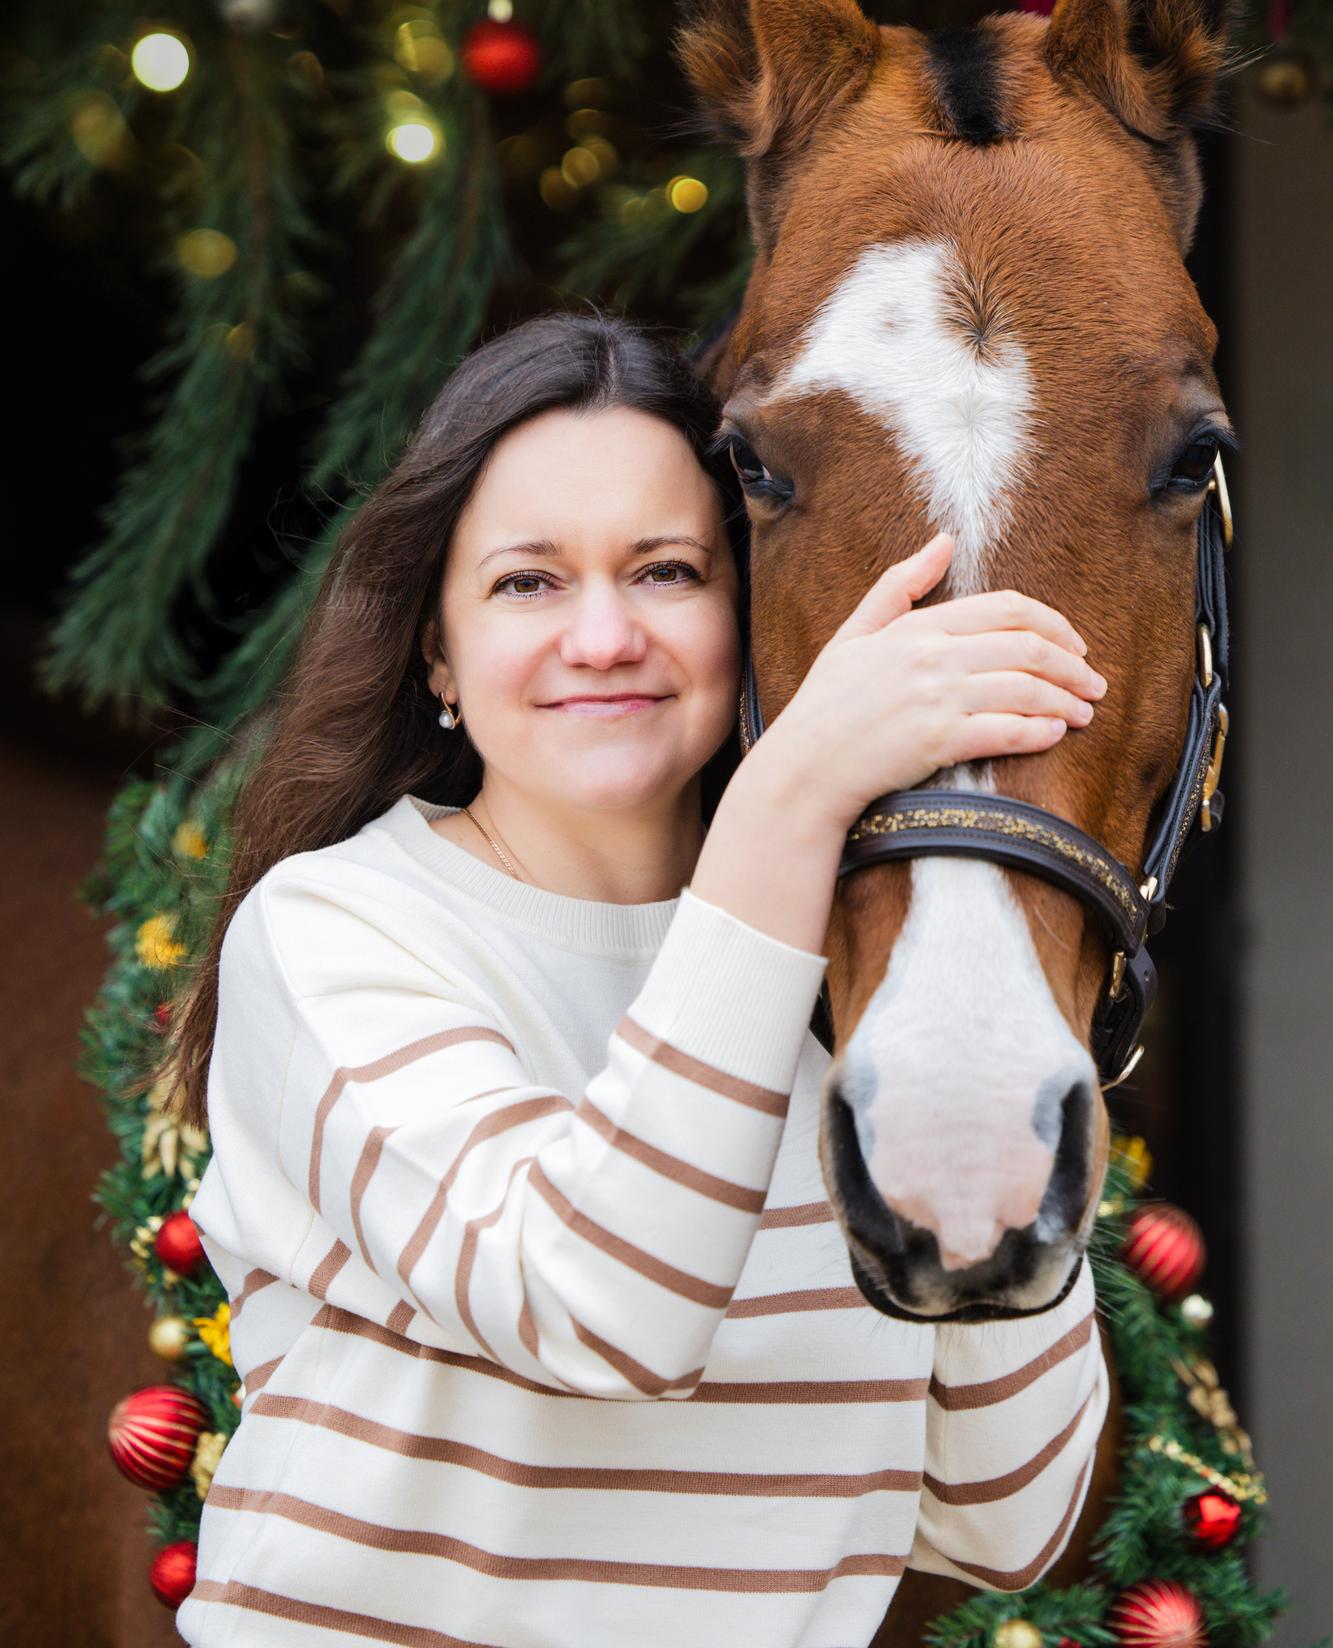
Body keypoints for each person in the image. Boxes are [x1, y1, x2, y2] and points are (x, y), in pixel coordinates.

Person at [167, 308, 1109, 1648]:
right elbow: (593, 1309)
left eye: (666, 571)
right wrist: (788, 802)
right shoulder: (337, 930)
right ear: (436, 651)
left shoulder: (859, 989)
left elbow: (1003, 1515)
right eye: (526, 583)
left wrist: (975, 982)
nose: (603, 637)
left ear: (750, 617)